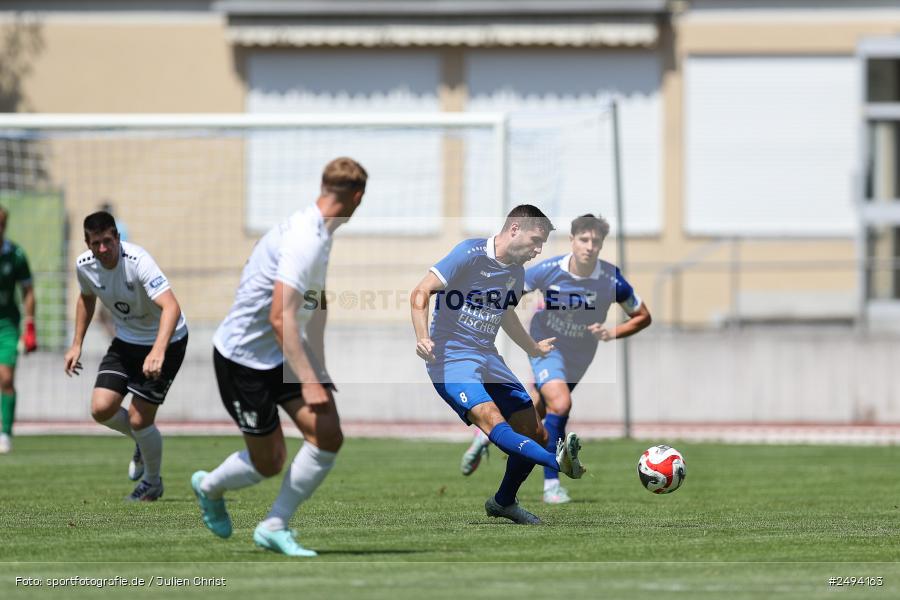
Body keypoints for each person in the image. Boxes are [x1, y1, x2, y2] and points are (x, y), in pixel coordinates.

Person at [190, 157, 367, 557]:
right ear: (356, 197)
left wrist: (317, 365)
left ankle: (274, 525)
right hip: (243, 360)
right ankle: (209, 486)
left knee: (327, 434)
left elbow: (316, 301)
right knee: (269, 462)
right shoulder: (304, 238)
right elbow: (278, 315)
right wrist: (307, 379)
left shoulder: (322, 231)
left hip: (281, 350)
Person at [411, 205, 586, 526]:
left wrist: (532, 347)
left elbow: (505, 314)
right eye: (536, 240)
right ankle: (558, 463)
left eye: (543, 244)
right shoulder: (470, 253)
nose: (538, 250)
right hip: (451, 359)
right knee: (492, 421)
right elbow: (421, 292)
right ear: (515, 229)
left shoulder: (516, 273)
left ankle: (504, 502)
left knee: (534, 431)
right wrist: (423, 336)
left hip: (488, 359)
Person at [460, 214, 651, 504]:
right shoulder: (549, 270)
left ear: (601, 245)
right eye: (583, 240)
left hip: (581, 355)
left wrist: (612, 332)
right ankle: (552, 483)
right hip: (547, 346)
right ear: (573, 241)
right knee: (560, 403)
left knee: (537, 408)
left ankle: (487, 434)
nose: (589, 246)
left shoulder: (611, 279)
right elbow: (508, 295)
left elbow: (643, 317)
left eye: (595, 241)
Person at [63, 211, 188, 501]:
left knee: (139, 420)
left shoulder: (138, 262)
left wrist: (158, 350)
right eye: (96, 243)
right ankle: (143, 443)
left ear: (117, 237)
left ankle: (152, 483)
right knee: (101, 408)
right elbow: (86, 299)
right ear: (87, 243)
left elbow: (171, 307)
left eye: (108, 241)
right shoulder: (84, 266)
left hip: (167, 341)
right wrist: (76, 344)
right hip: (127, 341)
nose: (103, 249)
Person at [0, 206, 37, 454]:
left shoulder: (16, 255)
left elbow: (28, 291)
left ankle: (5, 434)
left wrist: (30, 325)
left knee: (5, 378)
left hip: (6, 324)